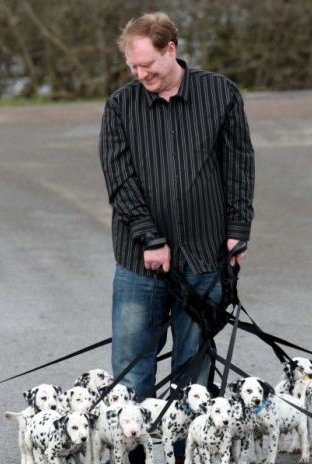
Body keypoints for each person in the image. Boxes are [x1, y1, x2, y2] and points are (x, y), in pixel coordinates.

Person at [99, 9, 254, 431]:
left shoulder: (220, 93)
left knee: (195, 368)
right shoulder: (120, 106)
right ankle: (131, 455)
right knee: (132, 369)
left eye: (146, 64)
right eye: (133, 66)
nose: (139, 74)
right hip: (139, 261)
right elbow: (119, 180)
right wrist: (149, 238)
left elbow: (239, 165)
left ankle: (190, 454)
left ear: (171, 50)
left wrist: (238, 231)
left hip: (207, 255)